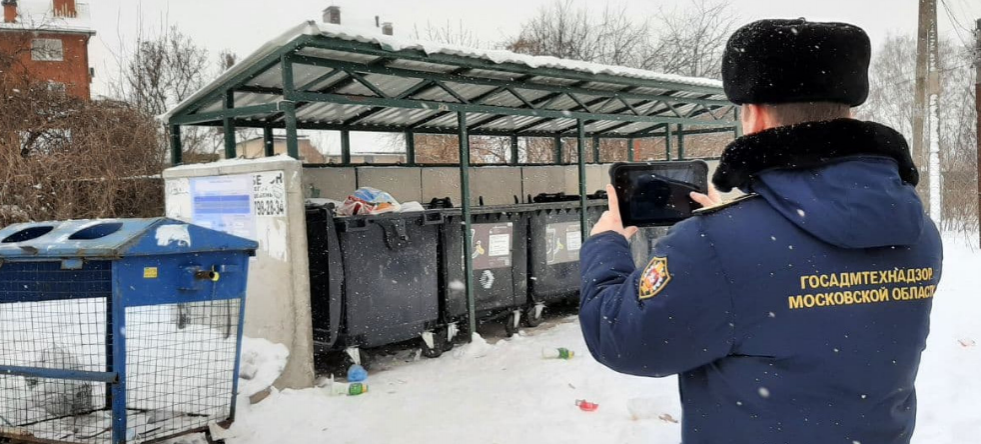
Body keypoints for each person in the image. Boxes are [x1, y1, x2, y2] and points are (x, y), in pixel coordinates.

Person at [579, 19, 942, 444]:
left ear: (752, 114)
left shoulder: (714, 245)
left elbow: (625, 339)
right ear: (849, 109)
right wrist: (739, 228)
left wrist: (605, 246)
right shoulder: (918, 230)